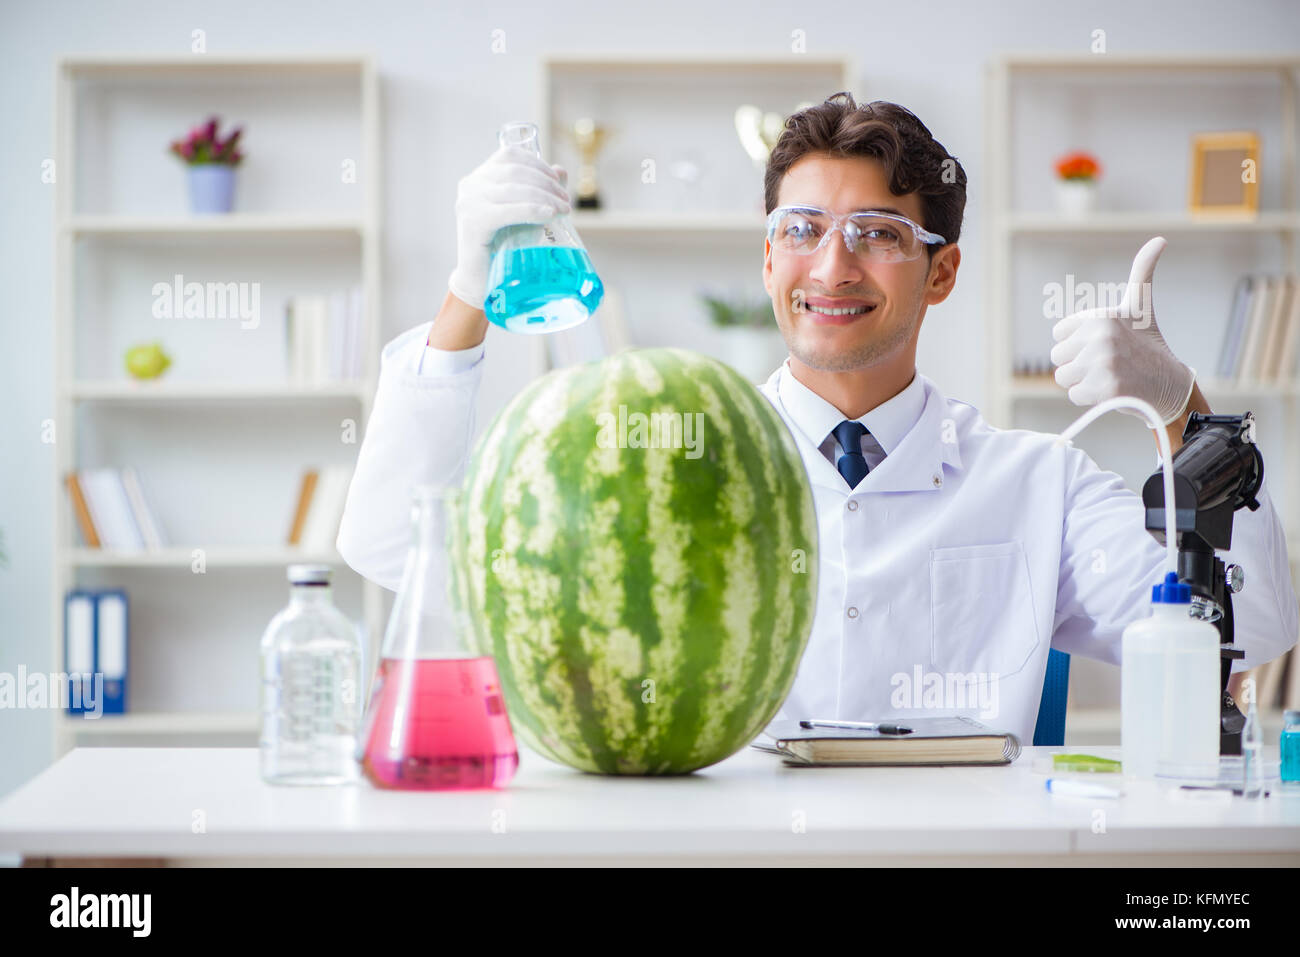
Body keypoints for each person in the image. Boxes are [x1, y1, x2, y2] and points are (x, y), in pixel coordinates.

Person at [337, 93, 1298, 743]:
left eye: (877, 235)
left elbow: (1254, 625)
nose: (832, 268)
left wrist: (1183, 411)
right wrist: (467, 295)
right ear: (768, 261)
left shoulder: (1035, 481)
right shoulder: (663, 460)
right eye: (800, 232)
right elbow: (391, 545)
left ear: (943, 271)